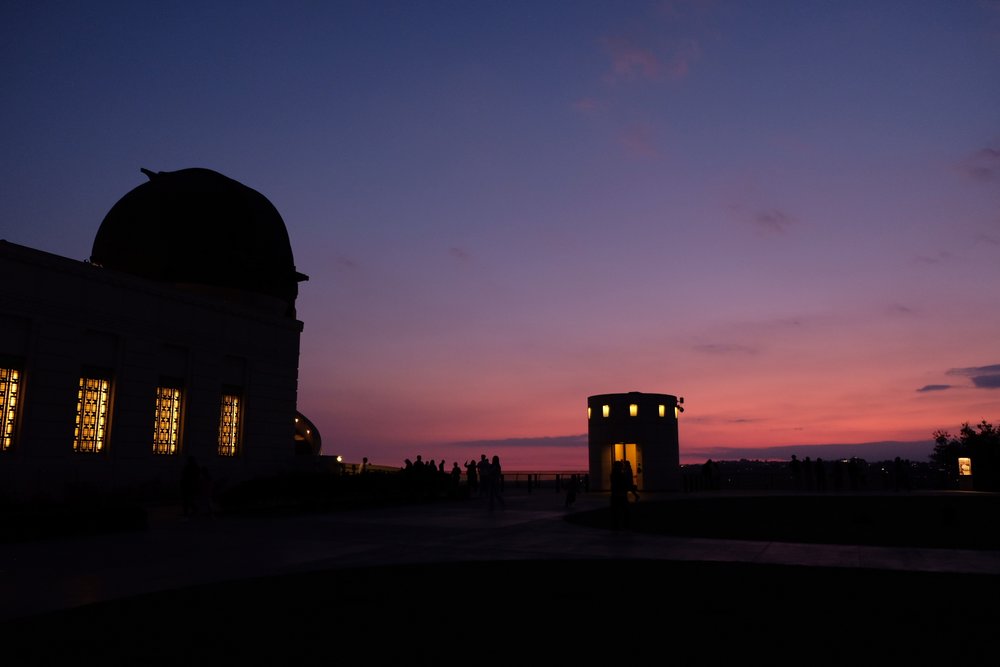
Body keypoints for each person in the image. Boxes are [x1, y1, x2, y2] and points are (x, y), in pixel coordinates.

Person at [610, 460, 630, 530]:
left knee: (616, 511)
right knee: (624, 510)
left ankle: (616, 525)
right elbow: (623, 484)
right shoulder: (620, 475)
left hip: (616, 495)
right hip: (620, 495)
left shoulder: (613, 474)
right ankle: (624, 525)